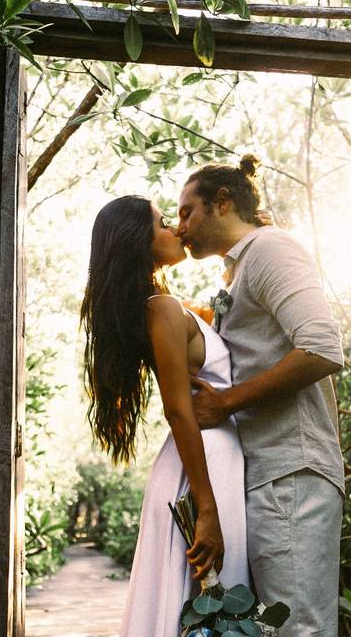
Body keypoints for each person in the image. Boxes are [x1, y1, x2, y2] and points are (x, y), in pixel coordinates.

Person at [177, 155, 345, 636]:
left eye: (187, 211)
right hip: (266, 476)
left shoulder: (271, 249)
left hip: (290, 470)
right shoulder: (238, 272)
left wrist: (226, 403)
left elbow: (321, 349)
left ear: (222, 202)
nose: (181, 225)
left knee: (299, 630)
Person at [81, 195, 255, 637]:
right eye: (163, 222)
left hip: (205, 462)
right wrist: (207, 509)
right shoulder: (159, 310)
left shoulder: (165, 306)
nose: (176, 229)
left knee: (207, 608)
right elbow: (178, 411)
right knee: (211, 605)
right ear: (139, 241)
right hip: (202, 470)